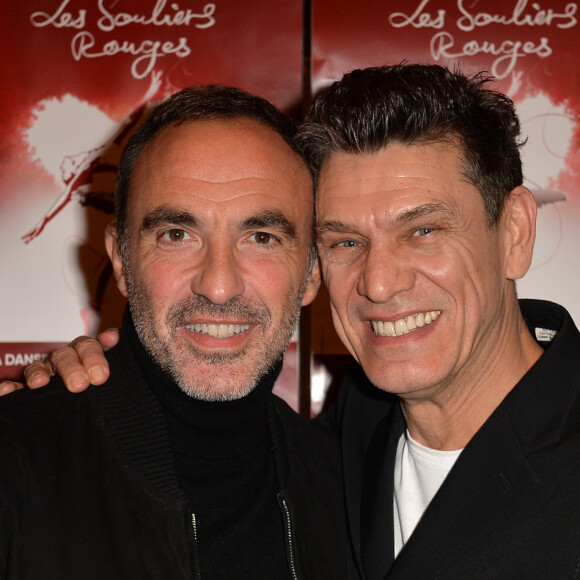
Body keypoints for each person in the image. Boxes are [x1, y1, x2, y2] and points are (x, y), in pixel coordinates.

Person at [6, 63, 580, 579]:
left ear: (515, 233)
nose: (379, 284)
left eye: (422, 231)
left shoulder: (321, 467)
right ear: (121, 262)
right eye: (347, 240)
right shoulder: (344, 448)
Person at [0, 85, 348, 579]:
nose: (220, 286)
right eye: (177, 235)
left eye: (262, 237)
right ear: (122, 261)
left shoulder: (348, 491)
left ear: (311, 273)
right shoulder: (17, 463)